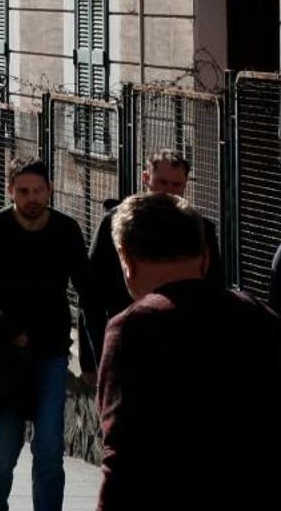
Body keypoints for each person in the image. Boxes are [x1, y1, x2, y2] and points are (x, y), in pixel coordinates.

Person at [96, 193, 281, 507]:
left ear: (127, 262)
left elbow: (124, 454)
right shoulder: (259, 316)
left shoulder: (134, 327)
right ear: (205, 257)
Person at [0, 157, 91, 511]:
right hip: (2, 359)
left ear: (50, 190)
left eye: (39, 190)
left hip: (51, 354)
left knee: (51, 449)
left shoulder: (66, 231)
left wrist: (93, 350)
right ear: (10, 191)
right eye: (23, 191)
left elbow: (89, 291)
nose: (32, 198)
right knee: (5, 452)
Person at [80, 150, 223, 374]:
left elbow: (215, 290)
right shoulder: (115, 224)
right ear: (146, 179)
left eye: (176, 185)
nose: (168, 191)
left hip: (186, 350)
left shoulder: (200, 230)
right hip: (127, 345)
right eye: (162, 182)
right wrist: (93, 360)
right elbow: (91, 295)